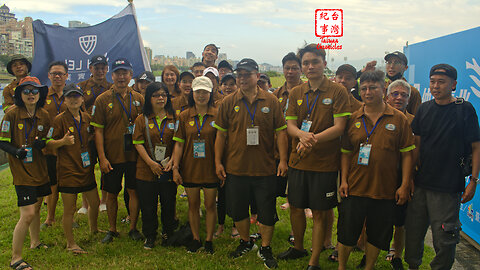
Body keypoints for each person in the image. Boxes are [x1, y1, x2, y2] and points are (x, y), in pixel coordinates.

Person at [279, 44, 350, 270]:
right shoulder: (296, 92)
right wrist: (301, 135)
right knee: (296, 207)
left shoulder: (337, 91)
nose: (310, 67)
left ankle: (314, 260)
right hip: (297, 160)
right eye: (306, 63)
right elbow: (289, 124)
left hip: (324, 164)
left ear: (324, 64)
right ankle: (298, 247)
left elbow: (339, 127)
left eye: (315, 62)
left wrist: (311, 139)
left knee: (320, 212)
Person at [214, 58, 288, 269]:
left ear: (257, 75)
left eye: (247, 74)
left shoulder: (271, 101)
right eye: (240, 75)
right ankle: (245, 242)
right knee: (238, 210)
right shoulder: (229, 102)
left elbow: (281, 133)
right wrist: (218, 162)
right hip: (236, 167)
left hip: (265, 168)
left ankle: (265, 247)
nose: (243, 78)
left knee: (266, 210)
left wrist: (283, 160)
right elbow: (220, 136)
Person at [405, 64, 480, 270]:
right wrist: (409, 178)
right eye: (432, 82)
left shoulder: (464, 109)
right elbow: (416, 146)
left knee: (445, 239)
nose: (435, 86)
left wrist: (473, 181)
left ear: (454, 84)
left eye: (441, 82)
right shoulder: (424, 109)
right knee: (413, 234)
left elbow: (476, 147)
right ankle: (413, 266)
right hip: (420, 184)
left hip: (448, 188)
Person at [338, 70, 414, 270]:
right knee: (347, 232)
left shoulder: (398, 120)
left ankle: (369, 266)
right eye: (364, 88)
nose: (368, 92)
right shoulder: (353, 118)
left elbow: (407, 154)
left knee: (378, 233)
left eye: (373, 88)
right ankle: (341, 267)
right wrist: (343, 180)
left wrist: (405, 184)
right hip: (354, 187)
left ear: (384, 89)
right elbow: (345, 152)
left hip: (384, 189)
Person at [90, 58, 145, 243]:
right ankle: (112, 229)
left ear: (130, 75)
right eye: (118, 73)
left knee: (134, 191)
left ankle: (133, 228)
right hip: (112, 156)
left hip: (134, 156)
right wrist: (102, 157)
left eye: (125, 73)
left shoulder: (138, 98)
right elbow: (98, 131)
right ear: (111, 75)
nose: (121, 77)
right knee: (112, 194)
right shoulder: (102, 99)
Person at [0, 76, 50, 270]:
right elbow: (2, 141)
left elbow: (49, 136)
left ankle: (35, 242)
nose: (31, 94)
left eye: (35, 91)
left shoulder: (44, 114)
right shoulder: (11, 114)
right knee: (27, 213)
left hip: (39, 167)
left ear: (40, 94)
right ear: (20, 94)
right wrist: (16, 152)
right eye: (26, 91)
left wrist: (43, 143)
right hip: (22, 171)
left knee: (37, 208)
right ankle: (15, 258)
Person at [46, 83, 100, 254]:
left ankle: (94, 229)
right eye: (70, 97)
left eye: (77, 96)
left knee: (95, 202)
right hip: (68, 170)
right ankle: (71, 243)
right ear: (65, 100)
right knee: (69, 209)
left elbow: (92, 137)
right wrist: (62, 142)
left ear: (82, 99)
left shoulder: (87, 117)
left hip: (86, 168)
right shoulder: (59, 120)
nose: (74, 100)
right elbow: (47, 144)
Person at [172, 76, 219, 253]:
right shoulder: (184, 116)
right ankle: (195, 238)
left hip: (210, 168)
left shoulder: (218, 114)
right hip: (190, 167)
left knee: (210, 205)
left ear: (210, 93)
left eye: (205, 92)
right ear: (192, 93)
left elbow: (222, 143)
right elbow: (179, 143)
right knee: (193, 204)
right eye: (198, 91)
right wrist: (175, 167)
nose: (201, 95)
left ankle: (208, 240)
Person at [133, 82, 178, 250]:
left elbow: (178, 143)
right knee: (148, 205)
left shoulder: (174, 117)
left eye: (164, 95)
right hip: (146, 169)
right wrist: (151, 163)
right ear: (149, 98)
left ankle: (168, 233)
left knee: (168, 202)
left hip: (167, 168)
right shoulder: (141, 119)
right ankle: (150, 236)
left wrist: (173, 162)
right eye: (156, 95)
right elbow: (138, 143)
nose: (160, 98)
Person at [272, 52, 304, 244]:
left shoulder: (307, 93)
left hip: (299, 152)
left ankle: (295, 232)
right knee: (269, 192)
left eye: (294, 68)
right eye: (287, 68)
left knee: (295, 197)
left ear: (301, 70)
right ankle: (266, 225)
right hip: (276, 152)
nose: (290, 72)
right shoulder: (276, 94)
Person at [383, 79, 413, 270]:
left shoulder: (414, 120)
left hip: (402, 176)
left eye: (404, 95)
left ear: (408, 99)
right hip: (379, 176)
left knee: (399, 220)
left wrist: (408, 181)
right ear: (387, 96)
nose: (399, 97)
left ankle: (397, 254)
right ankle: (371, 249)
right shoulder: (377, 116)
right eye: (395, 94)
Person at [77, 54, 112, 214]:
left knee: (107, 168)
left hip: (106, 135)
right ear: (90, 68)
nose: (99, 71)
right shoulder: (81, 87)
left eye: (102, 68)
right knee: (86, 168)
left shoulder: (111, 87)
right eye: (96, 68)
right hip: (86, 135)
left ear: (107, 69)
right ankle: (86, 204)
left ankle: (104, 201)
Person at [42, 61, 69, 229]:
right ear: (49, 76)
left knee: (68, 184)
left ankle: (69, 217)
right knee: (52, 183)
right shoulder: (42, 96)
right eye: (54, 74)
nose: (57, 76)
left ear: (66, 76)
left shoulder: (72, 95)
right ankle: (50, 217)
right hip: (49, 148)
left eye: (61, 73)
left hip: (68, 147)